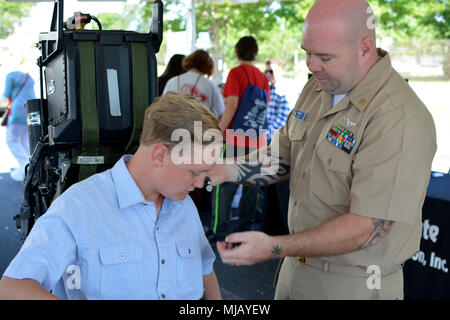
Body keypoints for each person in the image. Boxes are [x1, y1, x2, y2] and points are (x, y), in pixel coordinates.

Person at [211, 0, 437, 300]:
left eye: (324, 57)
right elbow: (282, 155)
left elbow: (364, 228)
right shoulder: (319, 87)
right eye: (307, 53)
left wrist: (275, 246)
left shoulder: (397, 116)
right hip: (295, 270)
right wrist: (224, 168)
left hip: (353, 284)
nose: (311, 65)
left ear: (365, 49)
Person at [0, 92, 222, 300]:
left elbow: (204, 270)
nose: (201, 184)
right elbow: (12, 287)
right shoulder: (79, 206)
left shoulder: (183, 205)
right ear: (161, 155)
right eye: (195, 172)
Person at [210, 36, 270, 242]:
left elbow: (232, 105)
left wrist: (218, 132)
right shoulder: (262, 77)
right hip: (256, 139)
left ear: (237, 51)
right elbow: (264, 110)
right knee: (250, 187)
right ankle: (244, 232)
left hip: (235, 138)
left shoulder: (236, 73)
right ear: (255, 52)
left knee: (223, 185)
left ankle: (220, 231)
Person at [259, 59, 291, 236]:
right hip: (263, 144)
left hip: (274, 146)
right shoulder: (265, 93)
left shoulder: (282, 96)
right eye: (266, 71)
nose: (267, 74)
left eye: (270, 71)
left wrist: (262, 134)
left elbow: (281, 124)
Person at [2, 55, 36, 182]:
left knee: (11, 140)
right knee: (25, 141)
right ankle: (31, 166)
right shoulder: (29, 77)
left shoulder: (11, 75)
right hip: (29, 110)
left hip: (16, 111)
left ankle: (24, 167)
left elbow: (7, 95)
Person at [163, 49, 224, 119]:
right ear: (209, 65)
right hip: (200, 127)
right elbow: (220, 112)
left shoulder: (172, 81)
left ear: (188, 61)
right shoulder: (211, 85)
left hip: (172, 125)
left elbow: (162, 107)